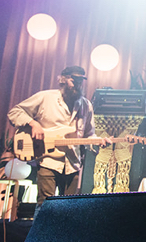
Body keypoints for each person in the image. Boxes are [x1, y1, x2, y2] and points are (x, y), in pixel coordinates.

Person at [7, 66, 97, 213]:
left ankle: (64, 235)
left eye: (80, 81)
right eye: (73, 80)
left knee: (70, 207)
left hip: (73, 163)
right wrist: (33, 124)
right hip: (48, 160)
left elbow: (89, 134)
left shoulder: (86, 105)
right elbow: (15, 112)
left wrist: (98, 142)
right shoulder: (45, 97)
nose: (77, 84)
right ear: (62, 79)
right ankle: (42, 235)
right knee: (45, 205)